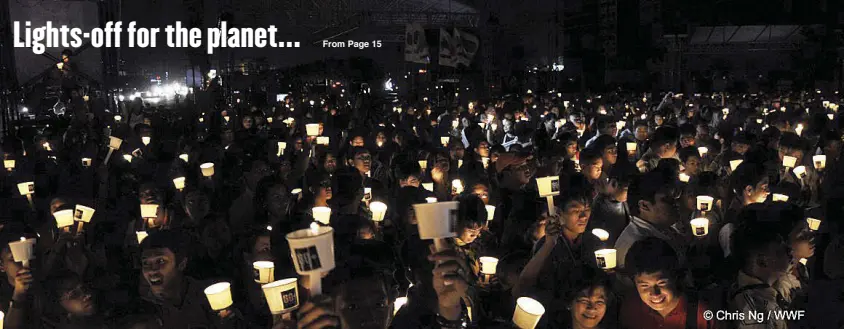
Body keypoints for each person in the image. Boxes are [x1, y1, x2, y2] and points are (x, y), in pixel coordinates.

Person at [620, 238, 717, 329]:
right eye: (645, 285)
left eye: (661, 283)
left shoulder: (702, 313)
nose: (655, 293)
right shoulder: (630, 309)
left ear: (675, 277)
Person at [614, 169, 686, 269]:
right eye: (668, 200)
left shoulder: (663, 228)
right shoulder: (638, 245)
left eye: (675, 199)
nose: (676, 204)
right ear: (644, 205)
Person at [728, 223, 792, 329]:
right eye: (781, 251)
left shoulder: (758, 290)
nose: (790, 253)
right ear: (762, 262)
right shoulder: (757, 314)